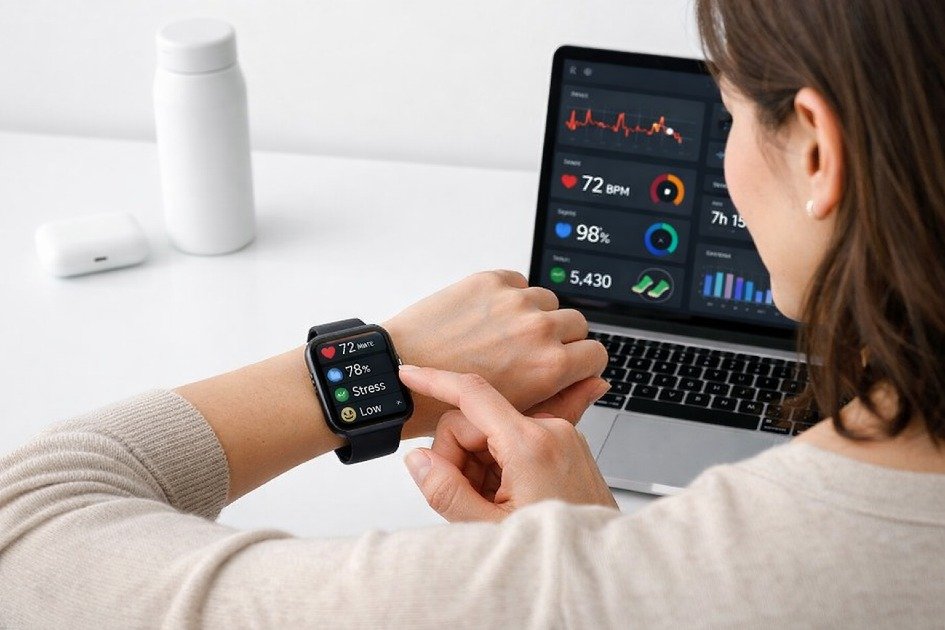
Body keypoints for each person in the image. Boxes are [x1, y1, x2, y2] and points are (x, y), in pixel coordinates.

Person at [2, 0, 945, 626]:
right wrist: (600, 540)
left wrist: (380, 365)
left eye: (734, 111)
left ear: (816, 151)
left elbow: (29, 530)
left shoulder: (595, 594)